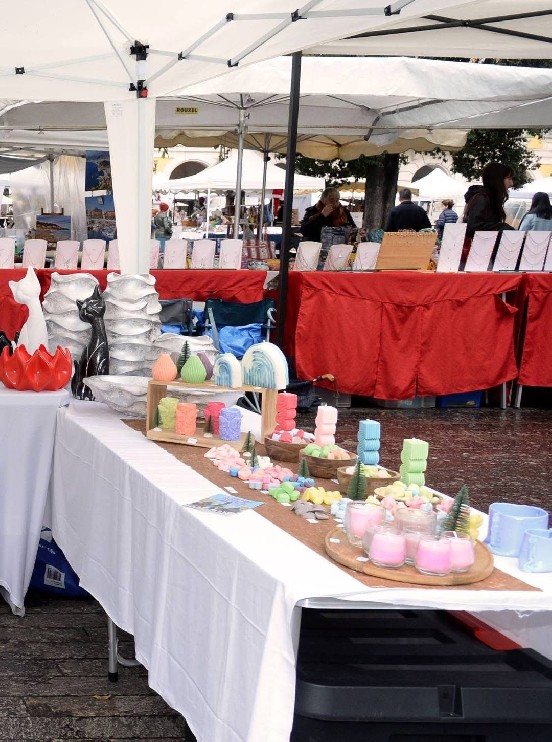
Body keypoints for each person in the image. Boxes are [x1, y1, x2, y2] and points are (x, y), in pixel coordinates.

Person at [461, 161, 515, 264]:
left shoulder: (490, 198)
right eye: (509, 179)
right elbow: (473, 226)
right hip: (480, 258)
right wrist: (503, 227)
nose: (512, 183)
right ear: (498, 180)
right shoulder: (482, 198)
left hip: (484, 255)